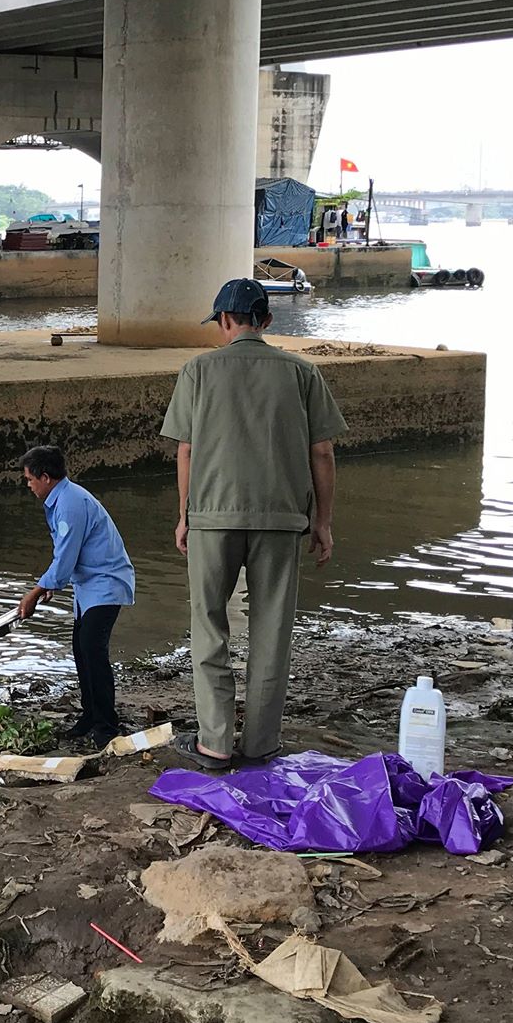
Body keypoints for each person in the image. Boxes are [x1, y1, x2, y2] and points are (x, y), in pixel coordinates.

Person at [161, 278, 347, 772]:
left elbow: (187, 450)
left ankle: (216, 742)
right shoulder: (302, 372)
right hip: (282, 519)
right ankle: (262, 743)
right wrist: (323, 523)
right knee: (271, 632)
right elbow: (323, 452)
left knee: (209, 627)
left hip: (213, 517)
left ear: (224, 321)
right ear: (266, 321)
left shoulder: (198, 370)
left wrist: (183, 516)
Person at [15, 445, 137, 747]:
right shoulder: (62, 499)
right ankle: (90, 716)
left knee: (93, 651)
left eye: (30, 479)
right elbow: (65, 555)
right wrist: (53, 583)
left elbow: (66, 555)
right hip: (90, 586)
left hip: (106, 583)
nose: (29, 486)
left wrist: (37, 591)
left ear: (45, 477)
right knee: (81, 649)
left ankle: (106, 724)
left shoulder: (70, 502)